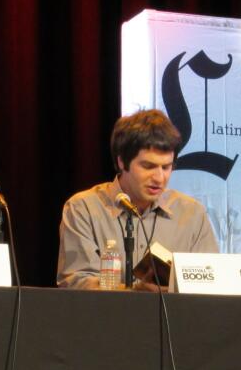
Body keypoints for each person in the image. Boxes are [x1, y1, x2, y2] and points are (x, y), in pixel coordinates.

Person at [57, 109, 218, 289]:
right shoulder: (84, 208)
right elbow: (76, 283)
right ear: (121, 162)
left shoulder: (192, 213)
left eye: (166, 167)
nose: (159, 177)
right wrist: (135, 294)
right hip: (106, 317)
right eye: (148, 166)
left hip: (175, 317)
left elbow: (210, 286)